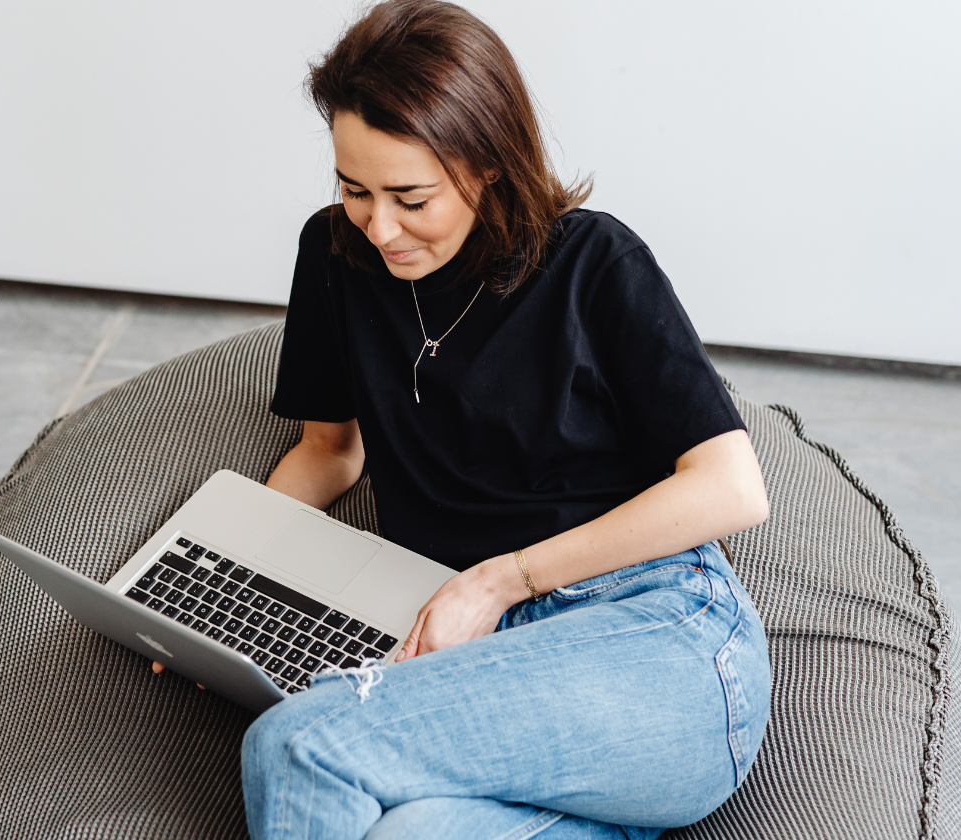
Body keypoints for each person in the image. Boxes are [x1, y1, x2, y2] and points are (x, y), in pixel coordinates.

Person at [232, 2, 773, 838]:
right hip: (474, 657)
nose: (380, 227)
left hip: (657, 634)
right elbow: (330, 451)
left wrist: (500, 580)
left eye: (411, 198)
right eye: (354, 189)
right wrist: (236, 569)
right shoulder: (336, 254)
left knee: (302, 746)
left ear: (486, 163)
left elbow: (732, 489)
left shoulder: (594, 262)